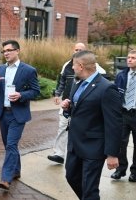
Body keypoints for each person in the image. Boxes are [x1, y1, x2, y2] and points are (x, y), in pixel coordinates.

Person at [61, 50, 122, 200]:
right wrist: (67, 107)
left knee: (89, 189)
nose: (72, 68)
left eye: (73, 65)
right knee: (71, 177)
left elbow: (114, 123)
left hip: (94, 148)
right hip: (75, 145)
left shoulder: (107, 88)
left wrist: (112, 154)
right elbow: (77, 111)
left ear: (81, 66)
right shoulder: (77, 83)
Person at [0, 40, 40, 191]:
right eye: (4, 51)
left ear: (18, 51)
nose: (6, 53)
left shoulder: (29, 70)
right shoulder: (0, 69)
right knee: (9, 145)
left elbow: (36, 91)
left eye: (9, 50)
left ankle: (6, 178)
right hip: (3, 113)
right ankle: (16, 170)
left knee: (11, 144)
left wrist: (21, 95)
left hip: (18, 114)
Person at [48, 43, 107, 164]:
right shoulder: (67, 65)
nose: (77, 51)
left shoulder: (97, 68)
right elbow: (62, 81)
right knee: (62, 128)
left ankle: (79, 153)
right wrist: (57, 94)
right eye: (76, 49)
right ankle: (59, 153)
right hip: (68, 103)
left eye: (80, 50)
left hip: (84, 106)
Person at [111, 50, 136, 182]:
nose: (130, 60)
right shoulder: (121, 75)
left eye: (133, 58)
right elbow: (115, 94)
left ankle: (135, 172)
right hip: (123, 113)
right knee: (120, 142)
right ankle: (120, 170)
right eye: (129, 57)